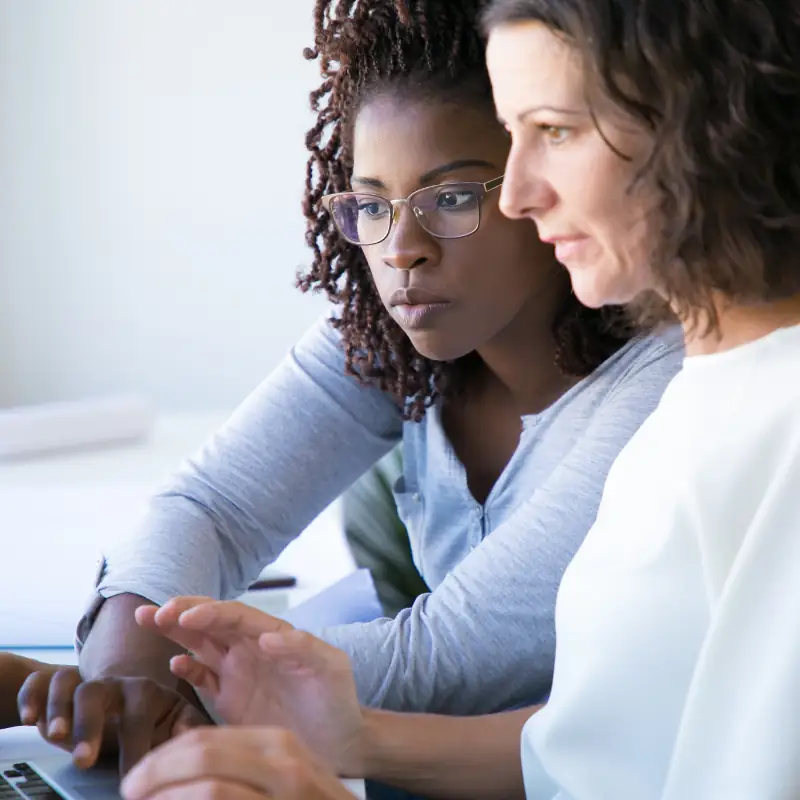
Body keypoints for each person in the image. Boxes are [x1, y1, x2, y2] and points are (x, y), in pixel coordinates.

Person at [112, 0, 800, 797]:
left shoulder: (731, 407)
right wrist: (349, 736)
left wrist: (167, 687)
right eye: (371, 204)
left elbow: (479, 671)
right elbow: (593, 748)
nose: (519, 192)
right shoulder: (711, 396)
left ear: (692, 123)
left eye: (554, 131)